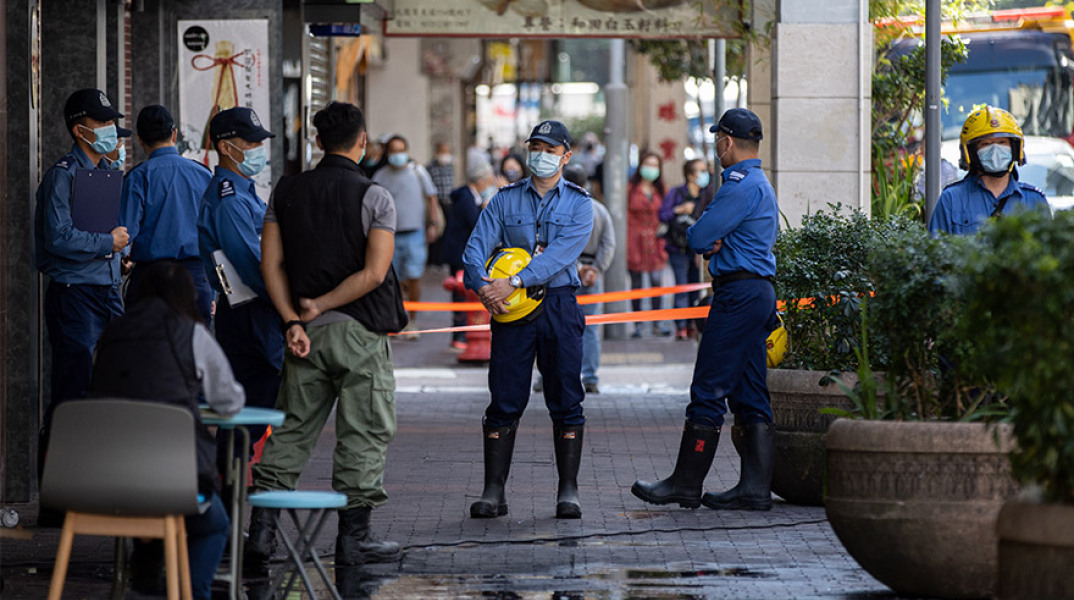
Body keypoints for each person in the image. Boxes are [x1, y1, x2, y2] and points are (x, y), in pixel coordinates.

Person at [246, 101, 408, 570]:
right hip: (359, 334)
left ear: (318, 142)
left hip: (304, 337)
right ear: (362, 142)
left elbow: (270, 265)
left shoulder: (286, 190)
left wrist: (295, 319)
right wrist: (325, 303)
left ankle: (262, 532)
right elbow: (375, 274)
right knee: (364, 430)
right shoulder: (375, 197)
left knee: (292, 428)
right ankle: (354, 540)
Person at [632, 108, 779, 512]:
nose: (717, 147)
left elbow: (698, 236)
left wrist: (707, 237)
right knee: (750, 392)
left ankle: (685, 483)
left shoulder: (738, 185)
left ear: (726, 142)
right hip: (756, 292)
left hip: (738, 295)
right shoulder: (760, 183)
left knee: (709, 388)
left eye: (718, 140)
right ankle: (754, 489)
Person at [462, 120, 593, 520]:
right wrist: (481, 285)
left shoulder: (579, 203)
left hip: (557, 305)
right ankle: (493, 491)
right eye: (535, 147)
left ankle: (568, 490)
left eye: (550, 150)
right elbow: (475, 247)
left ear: (566, 156)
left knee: (566, 397)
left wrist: (515, 280)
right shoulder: (504, 200)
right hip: (510, 310)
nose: (541, 155)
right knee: (504, 397)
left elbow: (562, 254)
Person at [90, 261, 244, 599]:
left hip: (105, 483)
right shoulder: (193, 335)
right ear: (187, 296)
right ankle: (191, 592)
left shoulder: (110, 335)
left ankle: (146, 576)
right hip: (179, 486)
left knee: (148, 495)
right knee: (215, 525)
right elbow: (230, 401)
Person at [34, 88, 129, 458]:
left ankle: (99, 476)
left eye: (111, 121)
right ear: (79, 129)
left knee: (116, 382)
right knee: (72, 390)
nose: (109, 128)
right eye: (102, 122)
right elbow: (58, 237)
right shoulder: (63, 175)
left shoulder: (107, 173)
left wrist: (120, 252)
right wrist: (107, 243)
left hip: (108, 290)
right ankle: (59, 494)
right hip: (75, 294)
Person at [196, 107, 284, 502]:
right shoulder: (230, 200)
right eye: (250, 143)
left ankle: (228, 500)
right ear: (226, 147)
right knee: (248, 414)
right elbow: (252, 266)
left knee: (251, 414)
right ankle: (226, 504)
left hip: (255, 313)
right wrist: (289, 306)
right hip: (250, 315)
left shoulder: (244, 192)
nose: (257, 150)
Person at [120, 104, 213, 324]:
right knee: (192, 352)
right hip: (195, 278)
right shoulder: (203, 174)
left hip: (149, 280)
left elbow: (125, 233)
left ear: (140, 140)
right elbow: (213, 237)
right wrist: (212, 289)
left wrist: (122, 261)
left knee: (148, 351)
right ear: (174, 134)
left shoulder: (138, 177)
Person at [533, 164, 615, 395]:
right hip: (591, 276)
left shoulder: (557, 209)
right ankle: (590, 377)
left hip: (561, 274)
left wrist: (577, 267)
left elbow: (553, 243)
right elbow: (609, 244)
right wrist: (595, 269)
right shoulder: (599, 209)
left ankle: (545, 375)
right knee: (589, 329)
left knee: (552, 326)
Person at [929, 105, 1050, 235]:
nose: (995, 150)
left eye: (1002, 142)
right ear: (972, 152)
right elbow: (936, 250)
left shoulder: (1034, 200)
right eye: (986, 144)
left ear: (1015, 149)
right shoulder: (951, 199)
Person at [372, 134, 441, 332]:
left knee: (413, 277)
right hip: (388, 235)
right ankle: (397, 319)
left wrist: (433, 224)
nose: (397, 155)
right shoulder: (380, 175)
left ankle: (412, 320)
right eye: (393, 151)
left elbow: (431, 197)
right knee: (393, 280)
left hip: (415, 233)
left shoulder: (418, 172)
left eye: (401, 150)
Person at [441, 161, 499, 350]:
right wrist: (486, 207)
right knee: (461, 293)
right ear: (481, 180)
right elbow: (475, 222)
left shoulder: (468, 196)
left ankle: (463, 333)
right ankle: (460, 334)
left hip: (461, 251)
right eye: (489, 180)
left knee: (464, 294)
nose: (490, 184)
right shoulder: (466, 198)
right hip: (459, 253)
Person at [660, 158, 709, 340]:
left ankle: (692, 324)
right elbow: (663, 214)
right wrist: (679, 209)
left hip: (697, 251)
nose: (705, 175)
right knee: (682, 286)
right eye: (700, 171)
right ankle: (681, 325)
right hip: (677, 247)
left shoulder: (707, 195)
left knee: (695, 288)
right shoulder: (676, 193)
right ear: (689, 175)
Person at [627, 150, 671, 338]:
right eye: (648, 164)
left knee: (656, 283)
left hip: (656, 241)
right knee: (636, 284)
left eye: (655, 165)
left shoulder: (661, 190)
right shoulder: (630, 189)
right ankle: (638, 324)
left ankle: (657, 322)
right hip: (635, 241)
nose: (651, 169)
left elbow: (666, 214)